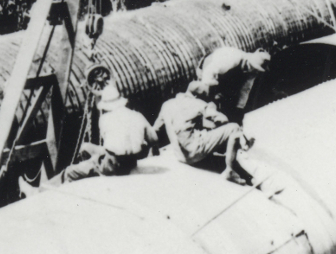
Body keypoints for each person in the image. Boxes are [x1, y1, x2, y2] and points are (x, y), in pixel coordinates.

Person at [20, 82, 157, 195]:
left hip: (112, 166)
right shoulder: (137, 116)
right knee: (87, 148)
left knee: (70, 172)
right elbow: (154, 138)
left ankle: (39, 191)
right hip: (131, 163)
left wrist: (93, 155)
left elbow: (110, 147)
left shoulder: (105, 119)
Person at [153, 80, 252, 184]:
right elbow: (223, 119)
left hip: (179, 155)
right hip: (193, 153)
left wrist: (154, 150)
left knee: (203, 132)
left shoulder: (167, 105)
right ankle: (230, 171)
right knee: (233, 127)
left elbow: (155, 130)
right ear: (197, 96)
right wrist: (212, 107)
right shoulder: (199, 103)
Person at [199, 46, 269, 122]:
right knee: (210, 101)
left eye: (256, 69)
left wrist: (239, 108)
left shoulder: (253, 71)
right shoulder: (232, 59)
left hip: (222, 75)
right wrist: (208, 95)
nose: (253, 70)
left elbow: (246, 89)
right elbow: (208, 73)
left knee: (230, 99)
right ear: (248, 60)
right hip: (207, 68)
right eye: (253, 66)